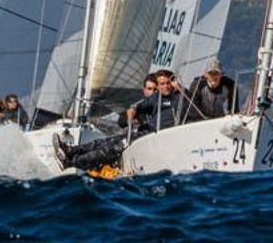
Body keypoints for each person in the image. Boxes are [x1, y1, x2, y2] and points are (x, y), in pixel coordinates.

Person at [56, 72, 188, 172]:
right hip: (143, 134)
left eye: (168, 83)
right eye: (162, 84)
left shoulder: (178, 98)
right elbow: (131, 112)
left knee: (110, 149)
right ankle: (70, 150)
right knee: (104, 142)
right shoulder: (154, 99)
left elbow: (190, 103)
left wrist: (180, 87)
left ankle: (71, 162)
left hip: (152, 136)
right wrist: (132, 111)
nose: (166, 86)